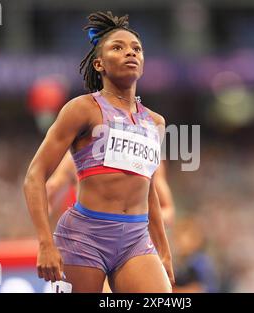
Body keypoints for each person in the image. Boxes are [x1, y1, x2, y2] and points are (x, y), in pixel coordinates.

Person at [23, 11, 174, 293]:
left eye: (136, 49)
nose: (130, 52)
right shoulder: (83, 109)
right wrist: (44, 242)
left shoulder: (155, 122)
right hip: (84, 237)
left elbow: (148, 188)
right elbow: (35, 177)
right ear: (99, 64)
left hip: (135, 240)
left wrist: (163, 251)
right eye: (118, 47)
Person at [46, 154, 175, 230]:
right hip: (87, 240)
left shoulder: (148, 156)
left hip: (134, 243)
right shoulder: (75, 156)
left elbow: (168, 212)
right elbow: (50, 192)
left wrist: (132, 221)